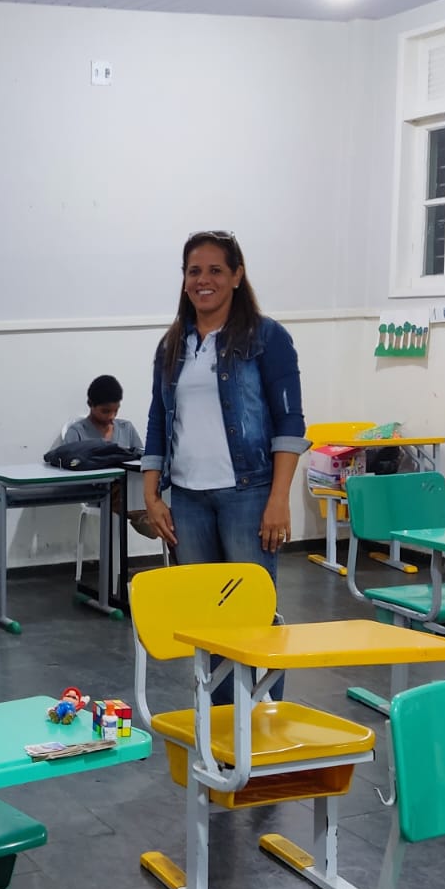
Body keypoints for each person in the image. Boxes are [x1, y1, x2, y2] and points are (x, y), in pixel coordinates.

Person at [141, 231, 308, 698]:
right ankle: (219, 722)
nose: (204, 280)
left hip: (248, 495)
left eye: (216, 270)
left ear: (237, 276)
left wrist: (279, 499)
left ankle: (263, 721)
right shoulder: (172, 345)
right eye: (194, 271)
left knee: (253, 617)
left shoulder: (267, 338)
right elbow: (157, 419)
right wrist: (151, 494)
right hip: (187, 501)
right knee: (206, 620)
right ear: (184, 279)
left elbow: (289, 421)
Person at [50, 374, 158, 540]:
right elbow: (70, 468)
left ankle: (149, 514)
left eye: (116, 410)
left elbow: (141, 457)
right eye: (105, 411)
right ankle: (144, 516)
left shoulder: (126, 428)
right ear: (90, 404)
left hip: (130, 487)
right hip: (97, 491)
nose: (111, 416)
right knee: (122, 492)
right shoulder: (77, 432)